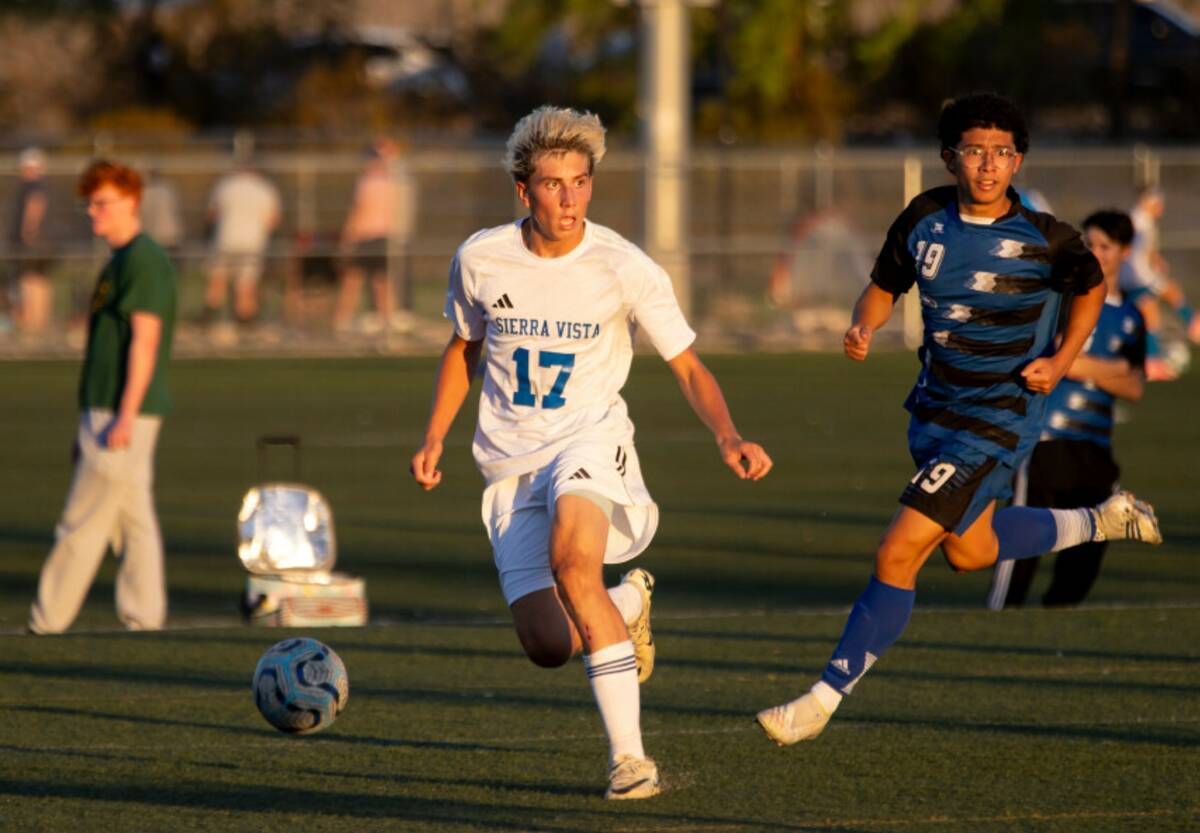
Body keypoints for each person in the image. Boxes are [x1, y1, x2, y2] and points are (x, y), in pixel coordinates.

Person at [756, 92, 1162, 746]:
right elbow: (884, 283)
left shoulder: (1045, 235)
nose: (989, 164)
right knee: (970, 551)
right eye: (975, 151)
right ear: (950, 158)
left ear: (1018, 159)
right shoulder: (923, 218)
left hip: (998, 418)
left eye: (1003, 152)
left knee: (897, 550)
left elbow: (1090, 288)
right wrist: (864, 321)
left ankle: (822, 697)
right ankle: (1101, 519)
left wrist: (1059, 362)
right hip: (936, 411)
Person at [410, 106, 772, 799]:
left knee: (572, 562)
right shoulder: (480, 258)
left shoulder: (623, 265)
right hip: (510, 462)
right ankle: (624, 602)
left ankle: (630, 760)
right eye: (553, 184)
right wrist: (433, 437)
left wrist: (729, 435)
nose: (570, 198)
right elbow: (463, 348)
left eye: (581, 182)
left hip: (589, 439)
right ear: (524, 190)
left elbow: (689, 365)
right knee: (549, 643)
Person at [28, 160, 177, 634]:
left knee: (82, 520)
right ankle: (144, 616)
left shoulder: (143, 259)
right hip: (106, 411)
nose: (93, 212)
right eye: (89, 203)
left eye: (102, 203)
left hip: (121, 410)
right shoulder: (120, 259)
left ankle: (45, 621)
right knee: (133, 520)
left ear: (131, 203)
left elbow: (145, 340)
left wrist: (125, 415)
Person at [987, 210, 1147, 609]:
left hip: (1093, 447)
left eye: (1104, 247)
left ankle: (1057, 619)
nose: (1095, 253)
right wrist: (1108, 368)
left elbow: (1135, 385)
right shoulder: (1064, 296)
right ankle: (1000, 617)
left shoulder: (1131, 318)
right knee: (1021, 550)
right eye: (1089, 243)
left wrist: (1080, 366)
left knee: (1088, 550)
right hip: (1045, 441)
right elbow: (1059, 359)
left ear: (1124, 252)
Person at [332, 138, 417, 335]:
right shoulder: (393, 181)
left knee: (354, 280)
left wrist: (347, 238)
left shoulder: (369, 181)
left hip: (366, 236)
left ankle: (341, 321)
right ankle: (386, 321)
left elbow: (360, 210)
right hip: (384, 236)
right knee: (382, 282)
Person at [1122, 186, 1198, 381]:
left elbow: (1144, 249)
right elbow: (1132, 250)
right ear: (1151, 203)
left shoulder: (1144, 220)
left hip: (1137, 275)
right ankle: (1191, 324)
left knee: (1152, 310)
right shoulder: (1139, 220)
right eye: (1158, 204)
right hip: (1136, 276)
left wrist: (1156, 260)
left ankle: (1152, 359)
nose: (1161, 208)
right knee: (1159, 302)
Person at [203, 158, 280, 325]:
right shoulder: (265, 189)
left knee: (218, 279)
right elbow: (273, 220)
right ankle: (245, 323)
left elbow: (212, 215)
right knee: (246, 285)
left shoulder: (225, 185)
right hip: (253, 242)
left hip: (225, 239)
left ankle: (210, 320)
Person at [9, 147, 53, 337]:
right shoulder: (41, 185)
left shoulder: (34, 187)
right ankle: (38, 325)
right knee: (39, 281)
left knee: (31, 281)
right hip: (41, 241)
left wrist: (29, 232)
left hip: (33, 242)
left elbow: (35, 205)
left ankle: (33, 326)